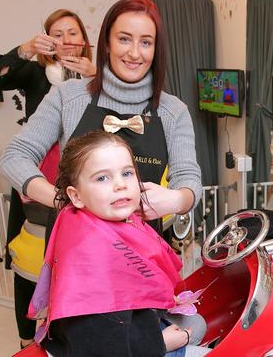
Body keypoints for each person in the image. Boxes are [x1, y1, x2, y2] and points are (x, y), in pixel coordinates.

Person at [0, 0, 201, 228]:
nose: (135, 53)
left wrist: (177, 199)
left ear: (156, 49)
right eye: (124, 39)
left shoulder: (173, 111)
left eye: (146, 42)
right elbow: (15, 156)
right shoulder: (68, 97)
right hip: (75, 248)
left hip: (142, 251)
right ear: (107, 43)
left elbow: (189, 179)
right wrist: (62, 201)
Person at [28, 131, 208, 356]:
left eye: (127, 173)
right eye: (103, 178)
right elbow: (100, 346)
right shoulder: (91, 256)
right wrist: (162, 342)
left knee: (197, 323)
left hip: (128, 326)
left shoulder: (101, 221)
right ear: (76, 196)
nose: (120, 185)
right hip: (108, 346)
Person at [0, 9, 95, 349]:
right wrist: (26, 49)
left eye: (72, 32)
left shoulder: (98, 76)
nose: (65, 40)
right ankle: (27, 337)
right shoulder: (35, 73)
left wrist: (98, 75)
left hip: (84, 173)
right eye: (57, 34)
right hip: (39, 176)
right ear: (47, 40)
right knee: (32, 254)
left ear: (84, 39)